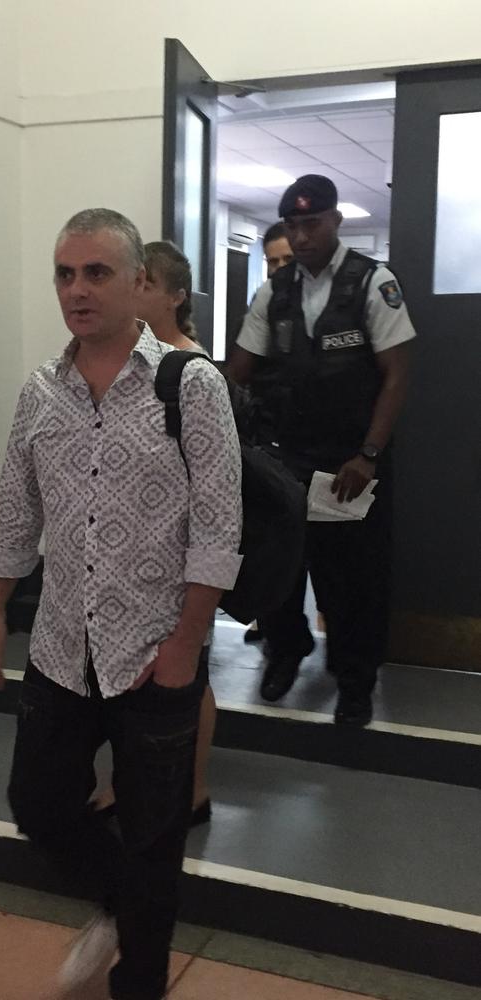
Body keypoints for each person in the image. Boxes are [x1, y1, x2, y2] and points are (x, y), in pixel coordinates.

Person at [0, 209, 242, 1000]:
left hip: (154, 655)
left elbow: (220, 524)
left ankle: (139, 980)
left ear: (138, 284)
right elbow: (15, 510)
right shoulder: (40, 392)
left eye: (96, 273)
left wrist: (187, 647)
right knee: (37, 801)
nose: (77, 290)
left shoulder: (190, 385)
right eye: (65, 273)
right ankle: (116, 900)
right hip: (61, 644)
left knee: (157, 839)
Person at [228, 174, 416, 727]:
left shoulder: (371, 283)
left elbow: (397, 377)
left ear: (335, 220)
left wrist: (370, 454)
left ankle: (355, 680)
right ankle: (286, 650)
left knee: (353, 579)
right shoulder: (276, 291)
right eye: (293, 225)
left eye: (312, 223)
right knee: (280, 567)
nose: (303, 235)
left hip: (349, 462)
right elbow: (240, 369)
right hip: (287, 457)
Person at [92, 239, 216, 827]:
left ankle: (192, 789)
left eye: (145, 285)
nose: (133, 294)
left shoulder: (193, 370)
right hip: (128, 558)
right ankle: (131, 782)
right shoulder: (124, 364)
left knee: (194, 674)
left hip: (183, 557)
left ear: (173, 296)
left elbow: (213, 488)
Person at [244, 222, 295, 644]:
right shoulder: (261, 306)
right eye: (272, 261)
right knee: (275, 547)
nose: (278, 269)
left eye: (287, 261)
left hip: (321, 448)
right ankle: (276, 631)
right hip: (270, 441)